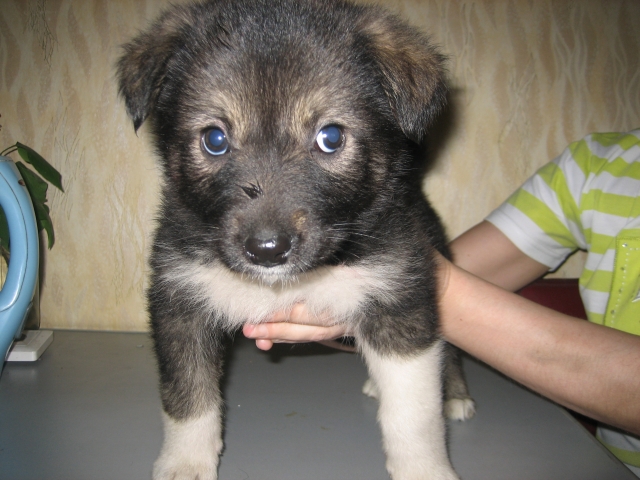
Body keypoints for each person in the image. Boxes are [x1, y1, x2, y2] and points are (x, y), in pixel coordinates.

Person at [243, 130, 640, 474]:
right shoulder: (597, 166)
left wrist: (402, 283)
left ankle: (453, 381)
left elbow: (441, 284)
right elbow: (460, 273)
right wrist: (346, 303)